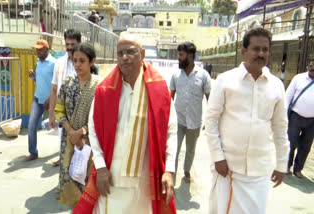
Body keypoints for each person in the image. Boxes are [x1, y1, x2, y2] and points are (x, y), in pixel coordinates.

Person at [73, 33, 177, 214]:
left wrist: (169, 170)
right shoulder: (105, 90)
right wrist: (101, 166)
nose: (124, 57)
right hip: (111, 179)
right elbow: (94, 129)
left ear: (142, 53)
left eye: (130, 52)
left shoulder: (159, 89)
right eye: (120, 53)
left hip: (144, 182)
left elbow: (171, 131)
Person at [205, 28, 289, 214]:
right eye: (256, 49)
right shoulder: (226, 80)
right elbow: (210, 121)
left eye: (265, 49)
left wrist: (282, 164)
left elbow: (280, 127)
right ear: (244, 52)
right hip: (228, 168)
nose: (261, 54)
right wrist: (218, 157)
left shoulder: (276, 85)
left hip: (259, 171)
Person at [54, 43, 102, 209]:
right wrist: (71, 132)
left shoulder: (99, 86)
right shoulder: (67, 84)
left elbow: (101, 117)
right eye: (75, 60)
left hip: (90, 142)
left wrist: (82, 132)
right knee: (70, 183)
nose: (77, 64)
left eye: (82, 60)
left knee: (88, 185)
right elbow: (58, 110)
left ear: (92, 61)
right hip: (69, 143)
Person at [170, 42, 211, 182]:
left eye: (181, 55)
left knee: (190, 150)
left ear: (191, 56)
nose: (178, 58)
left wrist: (210, 121)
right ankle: (171, 175)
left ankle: (186, 171)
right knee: (173, 149)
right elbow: (170, 98)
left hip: (194, 122)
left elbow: (209, 99)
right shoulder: (175, 75)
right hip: (178, 121)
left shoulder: (203, 75)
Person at [49, 29, 82, 167]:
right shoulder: (59, 63)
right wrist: (51, 114)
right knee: (64, 150)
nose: (69, 47)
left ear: (79, 43)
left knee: (80, 151)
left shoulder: (84, 62)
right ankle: (65, 185)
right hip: (63, 114)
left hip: (80, 113)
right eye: (67, 44)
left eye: (72, 44)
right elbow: (54, 89)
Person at [26, 39, 56, 161]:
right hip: (37, 99)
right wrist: (33, 76)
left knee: (61, 127)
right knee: (31, 125)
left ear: (47, 50)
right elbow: (39, 80)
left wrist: (51, 100)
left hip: (52, 101)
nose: (37, 52)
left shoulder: (54, 63)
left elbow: (57, 84)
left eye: (40, 49)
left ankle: (64, 153)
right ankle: (33, 153)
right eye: (36, 49)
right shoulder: (37, 62)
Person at [286, 60, 314, 179]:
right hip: (296, 116)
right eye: (312, 66)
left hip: (312, 120)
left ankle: (298, 169)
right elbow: (288, 96)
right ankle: (286, 166)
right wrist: (284, 114)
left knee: (306, 146)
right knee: (291, 142)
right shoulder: (298, 78)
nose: (313, 68)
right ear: (308, 67)